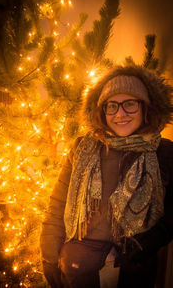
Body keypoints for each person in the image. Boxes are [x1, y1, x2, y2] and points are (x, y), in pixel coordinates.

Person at [40, 65, 173, 288]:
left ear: (146, 108)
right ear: (103, 111)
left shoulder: (164, 153)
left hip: (134, 270)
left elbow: (172, 211)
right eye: (112, 106)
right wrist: (50, 257)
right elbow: (57, 204)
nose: (120, 114)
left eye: (129, 104)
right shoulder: (82, 148)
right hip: (78, 267)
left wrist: (145, 245)